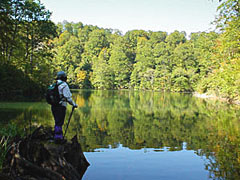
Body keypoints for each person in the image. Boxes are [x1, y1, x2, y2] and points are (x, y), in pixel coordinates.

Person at [51, 71, 78, 142]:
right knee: (60, 122)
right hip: (61, 106)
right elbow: (68, 97)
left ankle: (57, 136)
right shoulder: (64, 85)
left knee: (57, 122)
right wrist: (74, 104)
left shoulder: (54, 84)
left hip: (53, 106)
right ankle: (58, 138)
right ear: (64, 77)